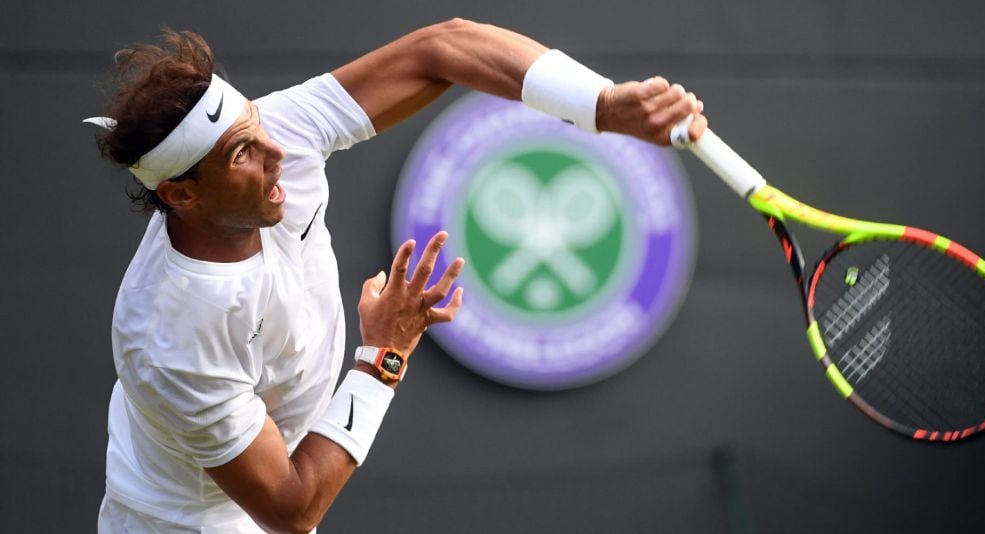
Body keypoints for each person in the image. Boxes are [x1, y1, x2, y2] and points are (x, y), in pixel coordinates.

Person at [87, 19, 707, 533]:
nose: (277, 150)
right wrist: (384, 353)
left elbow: (443, 48)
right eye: (242, 154)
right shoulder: (171, 336)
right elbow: (292, 507)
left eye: (256, 128)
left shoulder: (276, 139)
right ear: (182, 194)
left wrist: (599, 104)